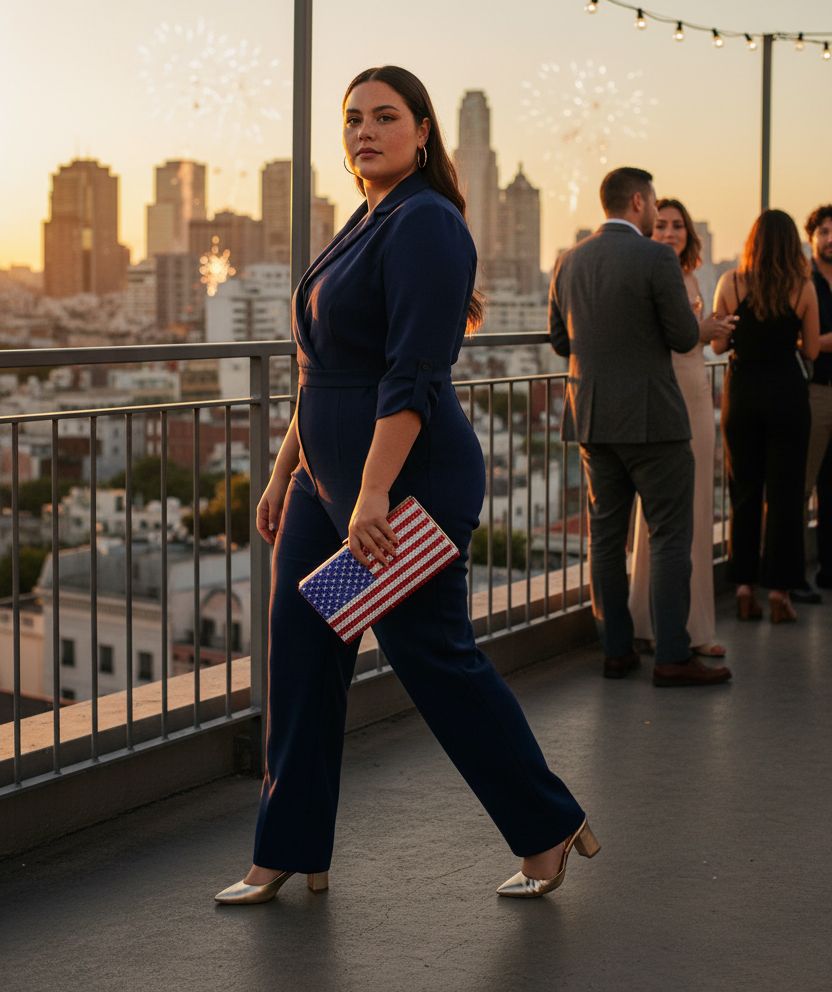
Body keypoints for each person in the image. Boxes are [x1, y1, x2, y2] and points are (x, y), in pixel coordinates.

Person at [215, 66, 598, 907]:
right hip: (331, 491)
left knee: (432, 660)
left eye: (385, 117)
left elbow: (412, 374)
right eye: (352, 118)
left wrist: (372, 493)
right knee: (300, 658)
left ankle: (547, 828)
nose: (364, 130)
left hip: (403, 489)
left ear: (423, 132)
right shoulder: (365, 219)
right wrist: (287, 474)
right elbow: (324, 372)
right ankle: (288, 848)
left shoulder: (427, 223)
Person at [549, 167, 732, 688]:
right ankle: (673, 655)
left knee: (605, 537)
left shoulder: (568, 259)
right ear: (637, 202)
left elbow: (560, 342)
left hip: (591, 417)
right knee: (671, 534)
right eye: (652, 204)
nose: (656, 214)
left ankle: (616, 650)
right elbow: (680, 335)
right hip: (654, 421)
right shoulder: (656, 257)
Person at [630, 199, 732, 657]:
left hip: (695, 392)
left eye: (678, 226)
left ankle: (694, 625)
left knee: (696, 509)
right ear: (650, 229)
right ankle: (646, 623)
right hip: (662, 394)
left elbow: (700, 342)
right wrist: (701, 327)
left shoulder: (692, 277)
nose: (670, 232)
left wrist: (711, 330)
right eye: (663, 225)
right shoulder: (647, 274)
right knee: (655, 512)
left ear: (689, 234)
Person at [712, 210, 820, 622]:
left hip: (743, 393)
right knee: (786, 495)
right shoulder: (803, 288)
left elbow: (719, 346)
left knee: (745, 492)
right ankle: (779, 592)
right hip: (788, 395)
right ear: (793, 245)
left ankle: (743, 587)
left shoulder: (732, 283)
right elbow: (810, 351)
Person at [802, 205, 832, 592]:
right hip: (814, 392)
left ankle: (829, 570)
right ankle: (790, 577)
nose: (830, 239)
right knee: (802, 485)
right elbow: (794, 339)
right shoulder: (801, 281)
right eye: (823, 231)